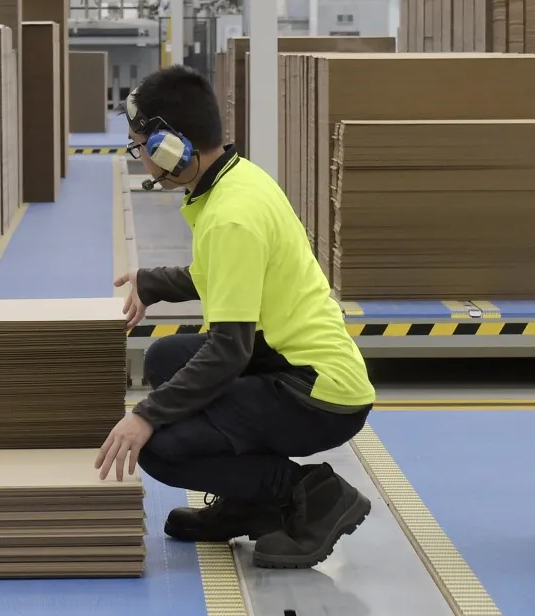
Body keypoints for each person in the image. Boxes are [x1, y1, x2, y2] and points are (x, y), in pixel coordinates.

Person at [96, 65, 376, 569]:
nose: (142, 161)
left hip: (315, 393)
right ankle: (248, 503)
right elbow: (220, 274)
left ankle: (309, 496)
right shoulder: (235, 179)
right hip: (288, 359)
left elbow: (228, 351)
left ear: (171, 146)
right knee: (165, 358)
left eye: (142, 148)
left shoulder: (231, 215)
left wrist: (145, 416)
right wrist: (152, 282)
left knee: (161, 446)